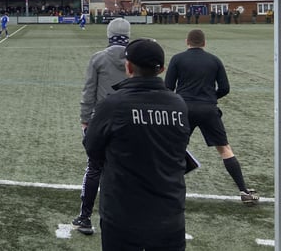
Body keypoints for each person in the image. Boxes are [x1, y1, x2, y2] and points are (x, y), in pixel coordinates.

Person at [84, 38, 191, 251]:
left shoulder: (114, 104)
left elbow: (92, 147)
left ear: (129, 66)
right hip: (169, 211)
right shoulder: (178, 104)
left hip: (123, 213)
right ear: (162, 69)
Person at [164, 29, 259, 204]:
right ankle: (244, 191)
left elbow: (168, 87)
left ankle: (166, 189)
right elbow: (225, 88)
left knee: (176, 149)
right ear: (204, 43)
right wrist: (209, 98)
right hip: (208, 109)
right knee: (224, 149)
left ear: (187, 42)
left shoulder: (177, 59)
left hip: (184, 108)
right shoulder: (214, 60)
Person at [71, 18, 130, 235]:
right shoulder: (135, 58)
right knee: (127, 169)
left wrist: (85, 120)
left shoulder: (98, 59)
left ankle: (85, 217)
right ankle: (123, 218)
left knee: (94, 168)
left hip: (101, 121)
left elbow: (89, 92)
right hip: (129, 121)